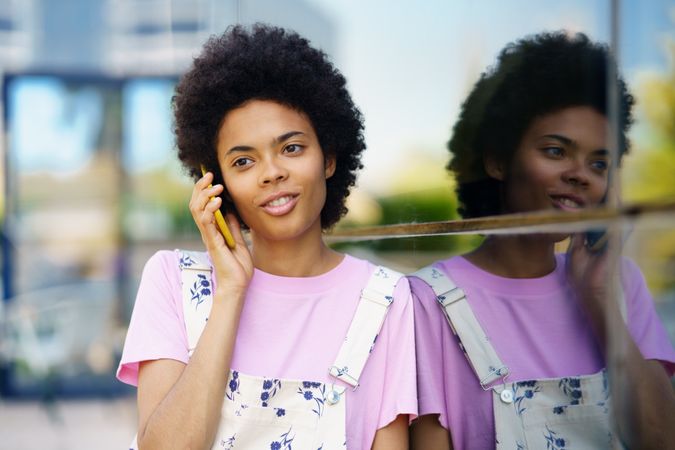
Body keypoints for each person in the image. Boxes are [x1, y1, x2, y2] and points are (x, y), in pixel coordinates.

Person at [117, 24, 416, 450]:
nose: (271, 172)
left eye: (291, 148)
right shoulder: (174, 281)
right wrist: (230, 292)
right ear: (215, 182)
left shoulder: (386, 299)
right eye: (243, 161)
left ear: (329, 157)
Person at [410, 31, 675, 450]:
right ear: (497, 161)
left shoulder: (621, 283)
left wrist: (600, 299)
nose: (580, 174)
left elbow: (661, 440)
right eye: (556, 151)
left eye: (599, 162)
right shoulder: (426, 299)